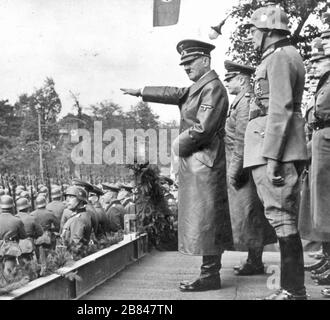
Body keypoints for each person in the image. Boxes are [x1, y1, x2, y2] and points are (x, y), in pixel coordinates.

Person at [121, 38, 233, 292]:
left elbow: (203, 128)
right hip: (200, 162)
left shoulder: (213, 88)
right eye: (184, 63)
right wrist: (141, 91)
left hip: (205, 162)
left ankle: (210, 276)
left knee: (208, 220)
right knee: (204, 219)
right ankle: (209, 273)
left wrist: (176, 147)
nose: (186, 67)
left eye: (190, 62)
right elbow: (175, 93)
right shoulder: (201, 87)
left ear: (205, 60)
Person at [242, 4, 308, 299]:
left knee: (282, 219)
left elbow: (280, 109)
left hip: (275, 150)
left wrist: (271, 158)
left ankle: (293, 290)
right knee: (281, 218)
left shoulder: (280, 58)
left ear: (268, 32)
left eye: (255, 31)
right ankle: (290, 288)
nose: (253, 37)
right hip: (275, 147)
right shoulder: (282, 55)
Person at [223, 60, 277, 276]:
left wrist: (234, 171)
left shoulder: (244, 102)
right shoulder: (239, 100)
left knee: (250, 215)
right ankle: (253, 260)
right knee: (249, 215)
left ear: (242, 79)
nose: (226, 83)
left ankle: (255, 262)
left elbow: (241, 140)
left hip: (243, 166)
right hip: (244, 164)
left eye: (229, 79)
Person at [298, 35, 330, 289]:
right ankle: (328, 259)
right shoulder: (324, 82)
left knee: (327, 205)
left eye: (320, 61)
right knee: (323, 206)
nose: (315, 66)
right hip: (322, 142)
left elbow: (317, 112)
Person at [0, 195, 26, 278]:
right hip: (11, 248)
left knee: (0, 271)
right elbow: (23, 236)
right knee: (10, 271)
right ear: (12, 207)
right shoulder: (17, 220)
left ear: (1, 208)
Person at [16, 198, 43, 265]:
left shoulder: (14, 218)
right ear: (28, 207)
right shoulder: (32, 218)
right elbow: (40, 232)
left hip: (17, 244)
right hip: (29, 242)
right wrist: (35, 236)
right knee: (31, 262)